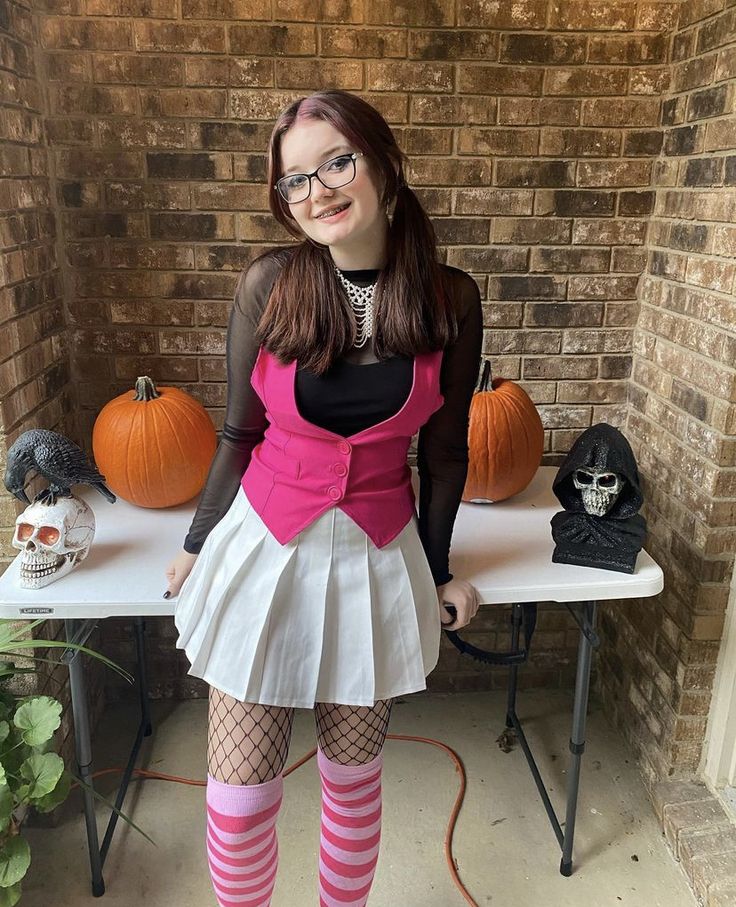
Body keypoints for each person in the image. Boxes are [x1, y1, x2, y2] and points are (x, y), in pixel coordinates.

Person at [164, 88, 482, 907]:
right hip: (262, 549)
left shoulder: (450, 299)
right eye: (295, 179)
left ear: (383, 163)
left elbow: (445, 452)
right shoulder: (270, 285)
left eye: (336, 162)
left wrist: (440, 570)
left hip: (376, 561)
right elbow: (238, 433)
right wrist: (197, 545)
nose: (318, 190)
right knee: (238, 806)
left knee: (352, 787)